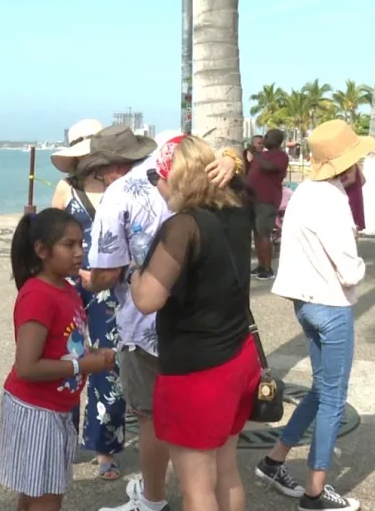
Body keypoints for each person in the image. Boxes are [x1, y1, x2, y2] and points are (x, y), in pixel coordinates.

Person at [80, 127, 238, 511]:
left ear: (110, 167)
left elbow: (110, 274)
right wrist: (234, 157)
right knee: (223, 458)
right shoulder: (213, 181)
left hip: (151, 331)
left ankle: (152, 499)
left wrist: (86, 277)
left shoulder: (124, 195)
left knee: (155, 423)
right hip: (218, 334)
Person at [128, 135, 260, 511]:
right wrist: (232, 161)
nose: (156, 183)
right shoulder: (238, 209)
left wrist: (135, 273)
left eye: (159, 175)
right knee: (227, 469)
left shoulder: (183, 227)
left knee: (197, 489)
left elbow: (148, 299)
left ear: (177, 178)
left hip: (197, 372)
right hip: (238, 355)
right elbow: (243, 180)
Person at [255, 120, 369, 511]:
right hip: (332, 305)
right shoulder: (334, 201)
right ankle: (315, 493)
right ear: (348, 163)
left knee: (321, 391)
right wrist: (359, 261)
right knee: (334, 400)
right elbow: (350, 270)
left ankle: (274, 460)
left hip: (303, 302)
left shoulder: (304, 193)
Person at [0, 208, 116, 511]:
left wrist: (92, 355)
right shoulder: (39, 295)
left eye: (81, 244)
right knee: (46, 499)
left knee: (36, 494)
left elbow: (63, 345)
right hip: (37, 412)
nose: (80, 252)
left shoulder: (66, 289)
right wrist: (82, 365)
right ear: (42, 250)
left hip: (55, 410)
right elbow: (26, 366)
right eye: (69, 245)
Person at [51, 118, 126, 480]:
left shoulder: (120, 186)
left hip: (110, 287)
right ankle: (64, 443)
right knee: (68, 362)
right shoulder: (66, 189)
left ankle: (104, 449)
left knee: (109, 366)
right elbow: (49, 237)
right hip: (68, 286)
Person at [247, 129, 290, 280]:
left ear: (277, 139)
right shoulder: (262, 155)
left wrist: (256, 155)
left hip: (267, 200)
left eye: (267, 136)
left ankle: (268, 267)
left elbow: (269, 167)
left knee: (264, 233)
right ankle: (260, 265)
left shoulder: (281, 156)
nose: (265, 138)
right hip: (253, 199)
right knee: (257, 233)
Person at [340, 163, 365, 232]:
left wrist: (337, 187)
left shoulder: (348, 162)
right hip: (355, 194)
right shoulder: (353, 162)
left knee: (348, 225)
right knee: (353, 225)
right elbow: (363, 180)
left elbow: (351, 179)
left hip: (349, 195)